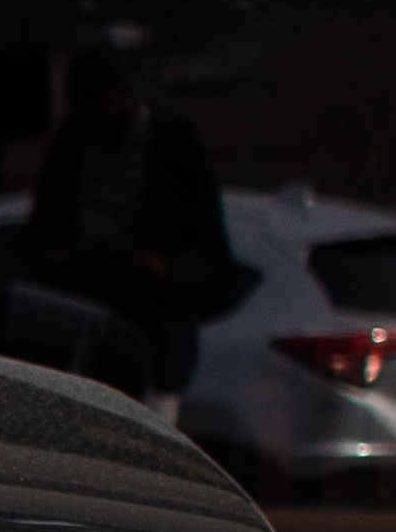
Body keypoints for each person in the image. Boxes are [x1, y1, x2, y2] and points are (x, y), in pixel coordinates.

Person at [25, 49, 252, 394]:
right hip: (79, 330)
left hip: (151, 335)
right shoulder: (72, 146)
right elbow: (42, 232)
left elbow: (211, 256)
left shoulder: (174, 147)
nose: (97, 123)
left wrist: (162, 269)